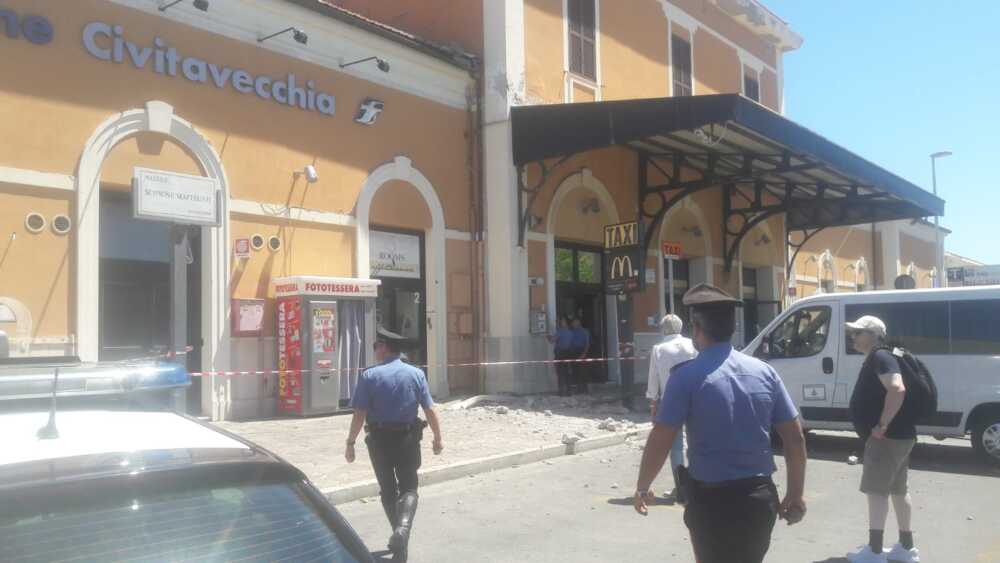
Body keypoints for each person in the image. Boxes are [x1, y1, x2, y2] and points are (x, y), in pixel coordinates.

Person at [633, 283, 808, 563]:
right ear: (732, 327)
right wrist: (796, 494)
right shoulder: (765, 372)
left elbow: (662, 437)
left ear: (696, 330)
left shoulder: (685, 377)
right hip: (758, 499)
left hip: (710, 502)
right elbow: (795, 438)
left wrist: (643, 486)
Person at [345, 332, 444, 562]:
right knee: (409, 487)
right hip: (408, 439)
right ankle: (402, 531)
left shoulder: (369, 376)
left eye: (376, 345)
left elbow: (359, 413)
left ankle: (400, 540)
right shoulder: (416, 374)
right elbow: (430, 409)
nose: (374, 350)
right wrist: (438, 438)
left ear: (385, 347)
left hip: (379, 442)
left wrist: (350, 442)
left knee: (388, 490)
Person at [845, 316, 920, 563]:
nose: (853, 336)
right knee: (899, 490)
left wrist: (881, 425)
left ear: (874, 335)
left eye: (858, 332)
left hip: (887, 438)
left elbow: (897, 388)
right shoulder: (888, 355)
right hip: (901, 436)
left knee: (877, 492)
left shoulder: (880, 357)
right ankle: (906, 548)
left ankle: (874, 552)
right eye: (852, 332)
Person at [645, 313, 697, 503]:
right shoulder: (693, 344)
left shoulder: (658, 349)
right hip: (695, 398)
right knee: (695, 442)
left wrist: (653, 402)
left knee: (675, 447)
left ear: (663, 328)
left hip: (670, 401)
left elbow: (654, 379)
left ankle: (680, 487)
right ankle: (698, 483)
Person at [547, 316, 575, 396]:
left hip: (560, 354)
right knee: (568, 373)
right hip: (569, 354)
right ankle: (569, 391)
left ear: (565, 322)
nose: (560, 323)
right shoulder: (571, 332)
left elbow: (552, 341)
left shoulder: (560, 331)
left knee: (560, 373)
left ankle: (561, 392)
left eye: (562, 321)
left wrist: (548, 336)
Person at [570, 317, 591, 394]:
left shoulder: (585, 331)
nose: (573, 324)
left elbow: (587, 344)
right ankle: (579, 388)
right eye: (573, 323)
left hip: (582, 351)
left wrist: (584, 353)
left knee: (583, 371)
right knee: (576, 370)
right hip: (574, 352)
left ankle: (585, 388)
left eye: (575, 322)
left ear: (579, 322)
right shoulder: (571, 332)